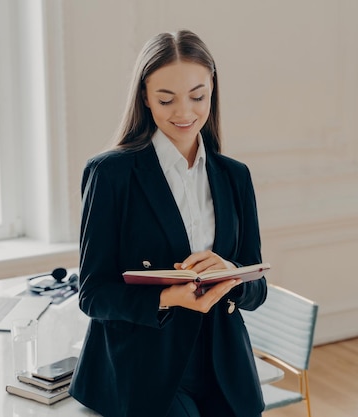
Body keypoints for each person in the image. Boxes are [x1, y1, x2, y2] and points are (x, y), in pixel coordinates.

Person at [68, 29, 268, 417]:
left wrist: (232, 274)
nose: (184, 112)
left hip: (225, 367)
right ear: (144, 96)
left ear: (213, 91)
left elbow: (257, 289)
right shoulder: (110, 174)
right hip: (141, 370)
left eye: (198, 96)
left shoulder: (234, 176)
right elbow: (92, 295)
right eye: (166, 98)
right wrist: (164, 298)